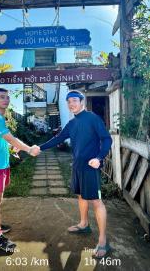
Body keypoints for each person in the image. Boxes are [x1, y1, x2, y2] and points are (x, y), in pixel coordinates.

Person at [33, 90, 112, 259]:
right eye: (69, 101)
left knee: (96, 201)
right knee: (81, 196)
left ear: (82, 101)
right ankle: (84, 224)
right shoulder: (72, 123)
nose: (71, 104)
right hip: (77, 166)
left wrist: (99, 158)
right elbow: (58, 138)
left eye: (74, 100)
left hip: (91, 167)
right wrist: (40, 147)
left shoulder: (92, 118)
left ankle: (103, 241)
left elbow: (106, 139)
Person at [0, 88, 39, 252]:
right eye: (2, 97)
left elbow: (3, 140)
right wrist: (29, 149)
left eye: (7, 97)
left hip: (1, 164)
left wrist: (10, 147)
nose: (6, 100)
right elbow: (11, 138)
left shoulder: (0, 118)